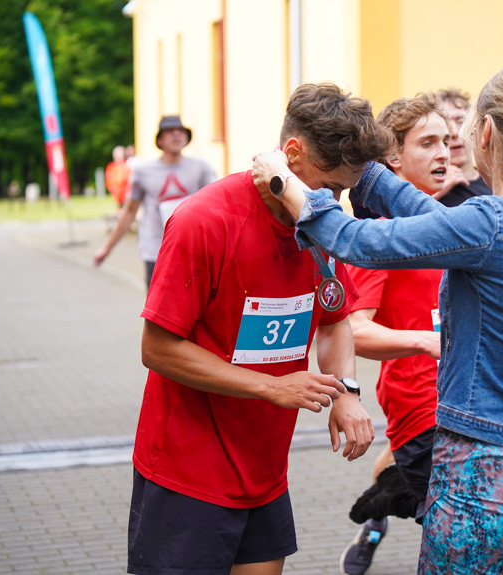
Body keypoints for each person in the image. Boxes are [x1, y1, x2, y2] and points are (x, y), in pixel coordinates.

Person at [253, 55, 503, 573]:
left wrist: (284, 182)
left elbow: (353, 239)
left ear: (483, 133)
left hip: (485, 482)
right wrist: (367, 169)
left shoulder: (488, 224)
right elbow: (446, 225)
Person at [127, 83, 390, 575]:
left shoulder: (319, 226)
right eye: (330, 188)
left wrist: (346, 392)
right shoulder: (204, 221)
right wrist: (271, 386)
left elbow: (334, 321)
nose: (335, 203)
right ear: (292, 154)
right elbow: (158, 348)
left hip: (265, 470)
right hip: (187, 472)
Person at [338, 93, 448, 575]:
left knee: (464, 528)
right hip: (419, 402)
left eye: (448, 141)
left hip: (465, 401)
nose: (444, 152)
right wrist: (425, 342)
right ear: (393, 159)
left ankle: (389, 496)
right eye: (428, 143)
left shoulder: (456, 223)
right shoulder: (382, 231)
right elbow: (354, 331)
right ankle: (389, 501)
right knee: (455, 532)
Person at [93, 116, 217, 288]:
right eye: (170, 131)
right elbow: (129, 211)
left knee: (195, 309)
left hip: (192, 249)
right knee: (157, 312)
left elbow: (217, 205)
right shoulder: (142, 171)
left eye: (181, 130)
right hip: (156, 250)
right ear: (160, 140)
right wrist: (107, 248)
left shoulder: (201, 167)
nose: (176, 134)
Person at [434, 87, 493, 206]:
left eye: (460, 120)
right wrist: (435, 194)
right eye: (444, 122)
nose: (454, 132)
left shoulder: (494, 183)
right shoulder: (419, 188)